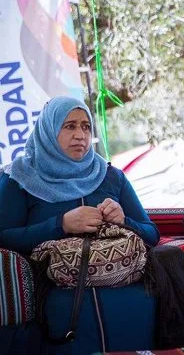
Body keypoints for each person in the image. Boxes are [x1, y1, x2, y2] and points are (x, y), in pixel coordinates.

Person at [0, 96, 160, 354]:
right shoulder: (19, 178)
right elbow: (4, 237)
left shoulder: (110, 176)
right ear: (48, 130)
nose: (80, 135)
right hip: (58, 298)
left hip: (127, 298)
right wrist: (60, 224)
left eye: (86, 127)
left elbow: (152, 234)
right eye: (69, 126)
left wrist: (124, 220)